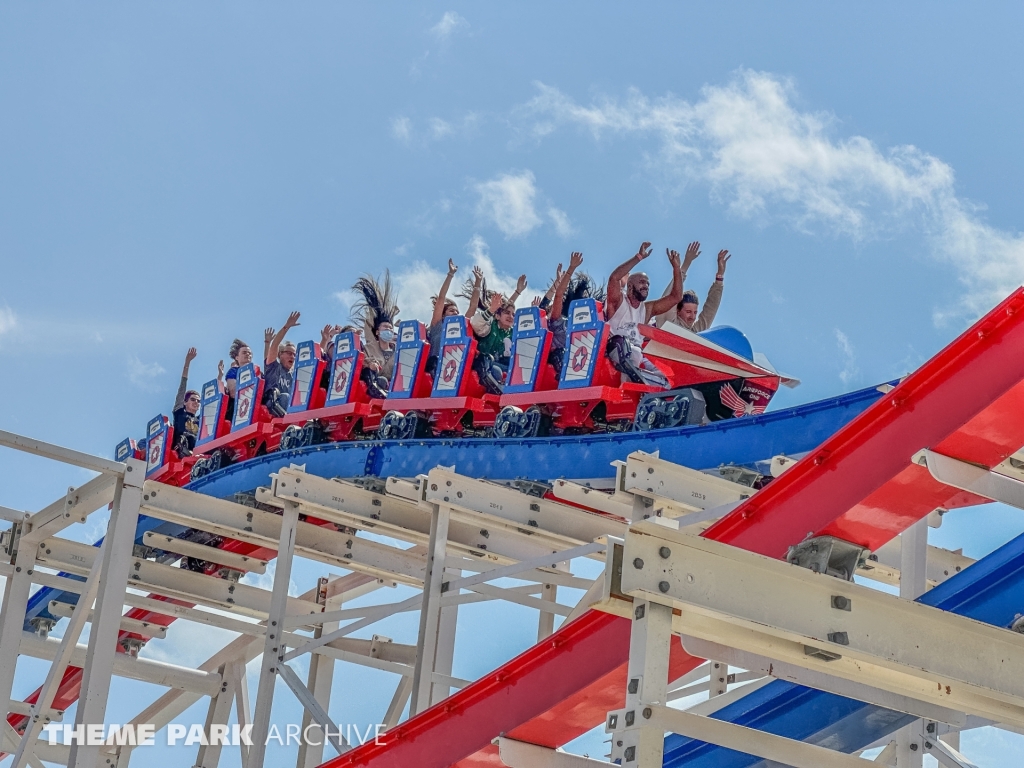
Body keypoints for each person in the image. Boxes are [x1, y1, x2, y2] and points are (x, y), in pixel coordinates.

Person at [604, 241, 683, 388]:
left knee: (667, 375)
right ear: (630, 285)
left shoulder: (647, 308)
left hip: (637, 355)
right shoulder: (618, 301)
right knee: (631, 350)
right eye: (642, 282)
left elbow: (676, 297)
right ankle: (626, 392)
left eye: (648, 284)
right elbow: (614, 278)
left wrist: (676, 269)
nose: (646, 286)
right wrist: (639, 257)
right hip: (615, 350)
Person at [655, 243, 731, 332]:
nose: (692, 317)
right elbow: (670, 296)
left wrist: (720, 276)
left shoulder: (695, 332)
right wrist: (685, 264)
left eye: (695, 312)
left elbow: (711, 309)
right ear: (678, 311)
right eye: (688, 312)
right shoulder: (668, 322)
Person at [353, 272, 400, 398]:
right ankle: (375, 389)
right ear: (378, 332)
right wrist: (370, 364)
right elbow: (362, 361)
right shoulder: (370, 347)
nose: (389, 330)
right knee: (368, 372)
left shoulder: (397, 350)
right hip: (374, 384)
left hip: (393, 386)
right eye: (385, 327)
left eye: (391, 328)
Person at [425, 259, 462, 377]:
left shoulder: (460, 332)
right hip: (434, 366)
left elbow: (472, 308)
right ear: (443, 314)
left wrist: (478, 283)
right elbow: (441, 298)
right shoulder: (438, 325)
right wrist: (450, 274)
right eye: (451, 311)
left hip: (451, 368)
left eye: (457, 311)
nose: (455, 313)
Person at [263, 311, 301, 417]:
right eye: (289, 353)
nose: (292, 357)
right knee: (285, 396)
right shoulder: (273, 367)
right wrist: (286, 327)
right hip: (272, 406)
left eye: (294, 354)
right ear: (280, 354)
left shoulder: (294, 374)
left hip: (290, 409)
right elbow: (274, 346)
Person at [171, 347, 201, 457]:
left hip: (197, 447)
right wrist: (187, 362)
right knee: (186, 437)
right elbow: (182, 386)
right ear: (185, 402)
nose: (196, 402)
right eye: (193, 399)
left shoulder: (199, 420)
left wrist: (220, 376)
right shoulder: (180, 412)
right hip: (182, 447)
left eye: (198, 401)